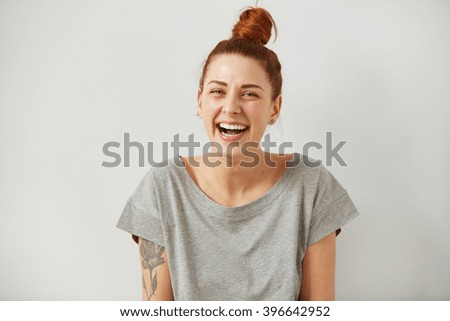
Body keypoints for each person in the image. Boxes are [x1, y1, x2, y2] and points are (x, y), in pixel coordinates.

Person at [117, 5, 359, 301]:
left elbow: (319, 311)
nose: (231, 108)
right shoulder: (161, 188)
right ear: (200, 100)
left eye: (250, 94)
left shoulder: (312, 186)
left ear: (275, 108)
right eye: (218, 91)